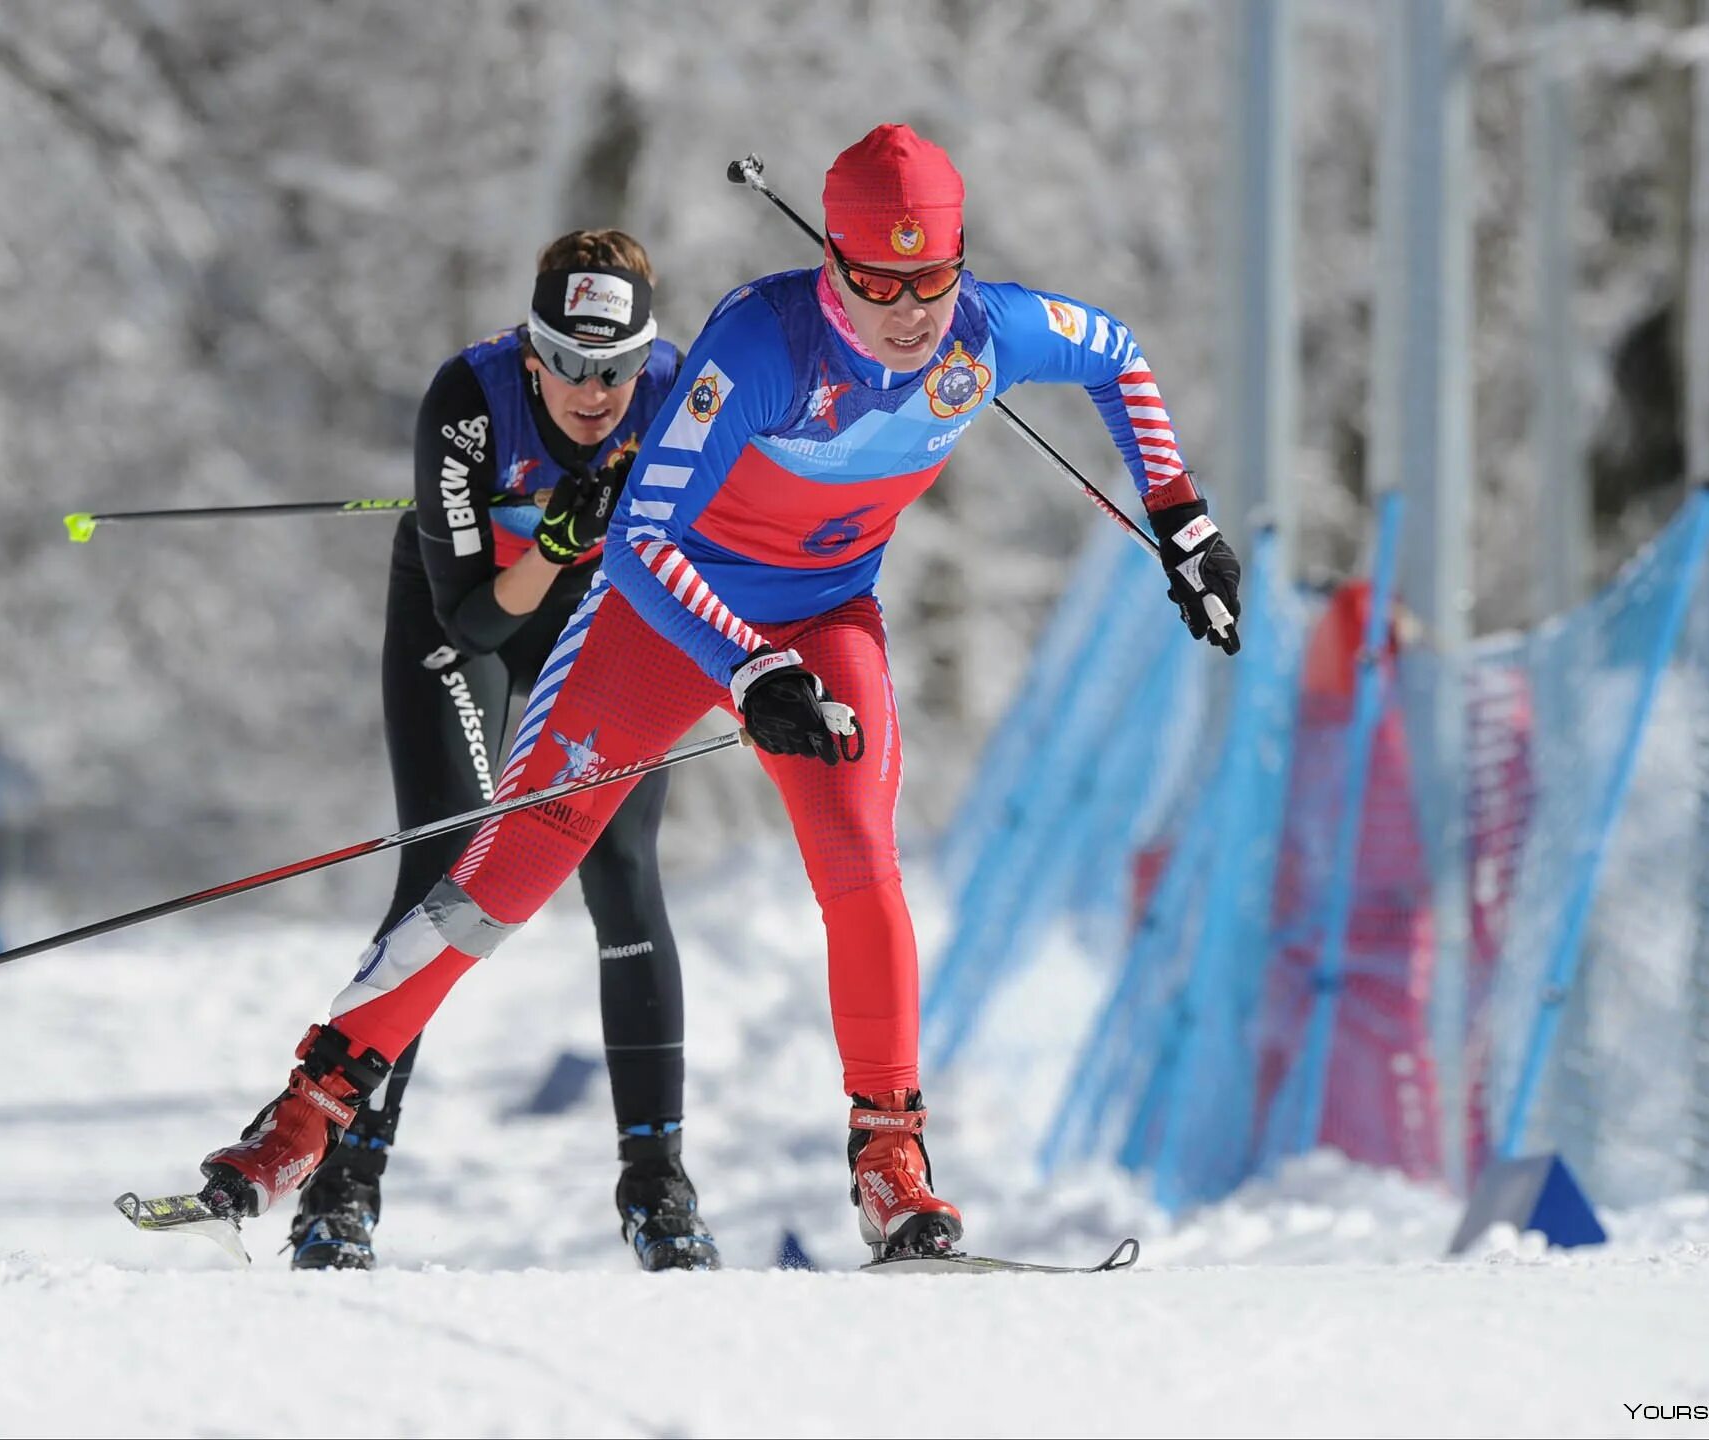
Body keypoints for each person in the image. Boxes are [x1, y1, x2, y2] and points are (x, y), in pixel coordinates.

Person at [190, 126, 1242, 1261]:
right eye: (874, 282)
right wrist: (744, 662)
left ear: (959, 264)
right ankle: (305, 1113)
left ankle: (891, 1160)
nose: (906, 311)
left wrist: (1180, 517)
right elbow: (642, 539)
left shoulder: (989, 334)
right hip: (663, 616)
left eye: (928, 280)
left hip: (824, 617)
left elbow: (1119, 356)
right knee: (510, 869)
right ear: (832, 262)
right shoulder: (763, 345)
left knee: (859, 859)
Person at [283, 229, 719, 1272]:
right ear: (532, 352)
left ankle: (656, 1185)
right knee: (447, 866)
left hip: (612, 624)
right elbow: (474, 622)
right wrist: (557, 543)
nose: (592, 391)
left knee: (619, 869)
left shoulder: (684, 398)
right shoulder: (469, 403)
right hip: (476, 606)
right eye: (567, 362)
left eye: (613, 368)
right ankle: (343, 1187)